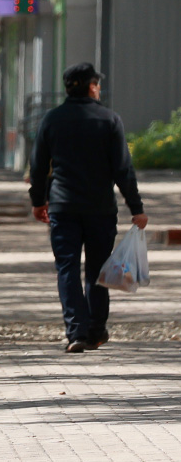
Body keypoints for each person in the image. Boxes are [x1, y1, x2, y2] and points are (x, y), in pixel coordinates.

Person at [29, 62, 149, 354]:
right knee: (98, 269)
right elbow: (123, 169)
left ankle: (77, 332)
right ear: (92, 86)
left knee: (67, 268)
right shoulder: (109, 120)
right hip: (100, 209)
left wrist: (38, 201)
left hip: (63, 207)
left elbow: (38, 165)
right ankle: (96, 329)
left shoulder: (52, 120)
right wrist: (136, 207)